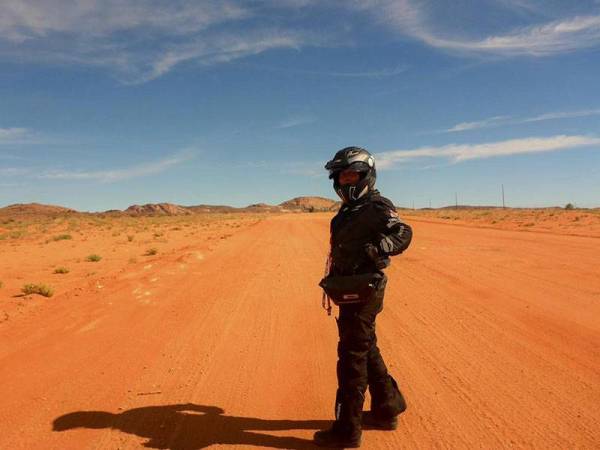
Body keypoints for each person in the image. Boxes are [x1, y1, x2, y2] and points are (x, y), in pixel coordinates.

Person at [314, 146, 413, 448]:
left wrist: (380, 246)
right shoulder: (346, 212)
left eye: (351, 175)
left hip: (366, 290)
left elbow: (402, 233)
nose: (346, 181)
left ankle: (347, 430)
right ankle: (387, 407)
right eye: (341, 176)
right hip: (347, 289)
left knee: (351, 357)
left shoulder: (377, 206)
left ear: (366, 175)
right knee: (365, 347)